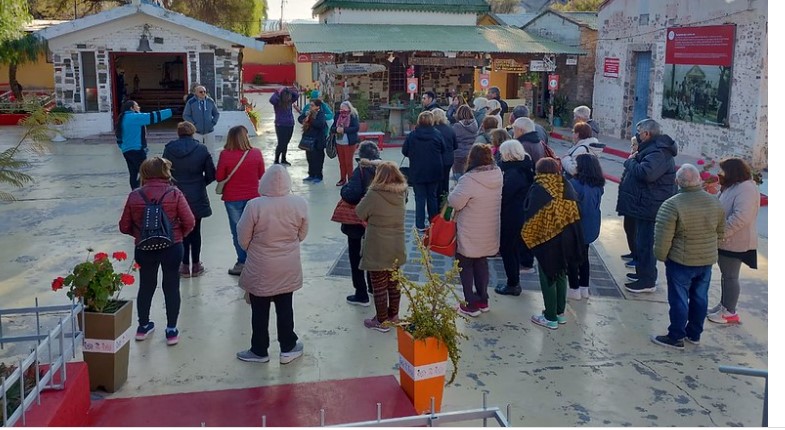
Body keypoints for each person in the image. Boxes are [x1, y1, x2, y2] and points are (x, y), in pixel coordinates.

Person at [235, 164, 308, 363]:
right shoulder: (299, 203)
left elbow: (242, 236)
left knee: (259, 309)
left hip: (261, 265)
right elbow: (302, 233)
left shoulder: (254, 205)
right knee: (285, 306)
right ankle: (288, 347)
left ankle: (259, 350)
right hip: (288, 266)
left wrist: (255, 248)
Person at [119, 157, 195, 346]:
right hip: (172, 246)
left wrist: (139, 234)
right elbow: (190, 221)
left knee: (146, 286)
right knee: (171, 287)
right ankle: (171, 330)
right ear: (165, 172)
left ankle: (143, 327)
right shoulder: (175, 193)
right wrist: (178, 235)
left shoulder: (135, 195)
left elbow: (123, 226)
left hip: (144, 247)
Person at [650, 164, 724, 349]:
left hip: (681, 261)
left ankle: (676, 336)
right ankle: (694, 334)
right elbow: (721, 231)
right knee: (700, 298)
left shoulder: (672, 204)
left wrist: (661, 256)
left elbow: (663, 237)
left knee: (679, 299)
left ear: (677, 181)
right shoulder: (714, 202)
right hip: (706, 260)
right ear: (699, 179)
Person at [522, 158, 584, 329]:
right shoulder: (566, 185)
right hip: (569, 235)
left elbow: (530, 215)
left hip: (548, 238)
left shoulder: (539, 188)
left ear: (539, 171)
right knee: (561, 273)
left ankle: (550, 318)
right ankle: (559, 313)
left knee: (547, 274)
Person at [619, 119, 678, 293]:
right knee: (641, 242)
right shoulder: (652, 149)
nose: (637, 135)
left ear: (647, 133)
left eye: (639, 131)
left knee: (645, 243)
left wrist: (630, 162)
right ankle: (643, 274)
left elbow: (647, 173)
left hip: (652, 206)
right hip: (645, 204)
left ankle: (647, 281)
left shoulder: (658, 152)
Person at [448, 144, 503, 317]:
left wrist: (452, 191)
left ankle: (469, 304)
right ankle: (483, 300)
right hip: (489, 227)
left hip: (470, 229)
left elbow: (455, 202)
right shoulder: (497, 174)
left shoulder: (469, 179)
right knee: (481, 262)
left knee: (465, 264)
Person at [356, 162, 408, 332]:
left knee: (379, 285)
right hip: (397, 243)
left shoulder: (374, 193)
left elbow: (359, 212)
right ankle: (394, 315)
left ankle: (381, 320)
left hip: (377, 244)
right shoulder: (402, 192)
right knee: (394, 282)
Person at [708, 158, 759, 324]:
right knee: (726, 276)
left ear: (732, 171)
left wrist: (722, 233)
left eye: (723, 171)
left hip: (735, 241)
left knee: (730, 276)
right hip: (726, 239)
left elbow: (741, 217)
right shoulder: (732, 186)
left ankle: (730, 311)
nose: (720, 174)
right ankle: (723, 306)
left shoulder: (746, 189)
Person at [162, 121, 216, 278]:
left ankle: (184, 265)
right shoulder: (201, 149)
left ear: (178, 133)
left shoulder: (169, 149)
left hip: (177, 195)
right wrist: (200, 183)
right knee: (196, 230)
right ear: (193, 132)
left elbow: (164, 172)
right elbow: (212, 174)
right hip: (197, 194)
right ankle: (196, 265)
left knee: (181, 231)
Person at [216, 125, 266, 276]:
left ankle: (242, 262)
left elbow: (219, 177)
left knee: (238, 232)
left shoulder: (225, 154)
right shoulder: (256, 153)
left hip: (233, 198)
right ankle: (257, 261)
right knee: (255, 231)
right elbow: (261, 175)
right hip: (253, 197)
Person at [340, 141, 382, 306]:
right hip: (377, 222)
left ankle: (361, 293)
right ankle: (373, 287)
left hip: (357, 224)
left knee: (356, 257)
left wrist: (344, 190)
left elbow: (351, 194)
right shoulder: (384, 171)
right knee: (372, 256)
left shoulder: (361, 171)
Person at [494, 140, 534, 297]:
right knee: (514, 249)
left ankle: (513, 284)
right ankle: (514, 281)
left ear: (508, 154)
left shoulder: (514, 173)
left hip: (512, 216)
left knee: (508, 249)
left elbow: (504, 196)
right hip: (521, 214)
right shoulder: (525, 167)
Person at [566, 154, 605, 300]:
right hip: (591, 226)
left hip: (576, 227)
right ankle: (584, 288)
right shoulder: (598, 185)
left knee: (572, 259)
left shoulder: (574, 184)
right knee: (584, 258)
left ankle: (574, 288)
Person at [402, 111, 446, 231]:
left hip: (417, 170)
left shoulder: (412, 135)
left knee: (419, 197)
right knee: (432, 196)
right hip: (434, 170)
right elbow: (443, 149)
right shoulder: (437, 134)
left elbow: (404, 151)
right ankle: (433, 221)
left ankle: (419, 224)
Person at [115, 100, 173, 190]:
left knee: (133, 173)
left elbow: (119, 136)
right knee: (144, 172)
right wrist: (171, 111)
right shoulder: (134, 117)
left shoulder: (122, 118)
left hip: (126, 150)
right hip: (137, 150)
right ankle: (143, 191)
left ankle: (135, 191)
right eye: (137, 105)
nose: (139, 107)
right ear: (132, 108)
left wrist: (122, 147)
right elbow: (152, 117)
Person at [616, 135, 639, 266]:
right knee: (628, 228)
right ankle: (633, 252)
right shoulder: (632, 158)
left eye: (634, 145)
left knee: (634, 230)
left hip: (635, 203)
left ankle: (637, 256)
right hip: (628, 201)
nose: (632, 148)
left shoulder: (638, 159)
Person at [298, 98, 328, 184]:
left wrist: (310, 120)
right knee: (310, 158)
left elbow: (320, 124)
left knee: (317, 159)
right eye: (310, 105)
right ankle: (311, 174)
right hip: (309, 140)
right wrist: (305, 116)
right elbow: (300, 119)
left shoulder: (320, 114)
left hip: (317, 141)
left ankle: (318, 175)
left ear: (317, 107)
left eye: (312, 105)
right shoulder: (308, 113)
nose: (310, 107)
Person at [331, 101, 361, 186]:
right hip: (339, 142)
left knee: (348, 162)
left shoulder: (352, 116)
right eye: (341, 108)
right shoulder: (337, 115)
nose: (342, 110)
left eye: (344, 108)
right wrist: (336, 129)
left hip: (349, 142)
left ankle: (351, 180)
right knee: (342, 162)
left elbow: (356, 128)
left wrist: (344, 130)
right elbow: (332, 128)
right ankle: (342, 179)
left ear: (348, 108)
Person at [269, 86, 300, 165]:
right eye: (287, 95)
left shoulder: (290, 102)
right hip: (280, 125)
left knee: (286, 142)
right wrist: (278, 91)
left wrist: (288, 90)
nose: (288, 96)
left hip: (290, 124)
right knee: (281, 143)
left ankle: (283, 158)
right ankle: (276, 159)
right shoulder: (278, 103)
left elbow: (296, 95)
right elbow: (271, 100)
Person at [431, 108, 457, 203]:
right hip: (448, 159)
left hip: (436, 160)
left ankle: (436, 203)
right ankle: (444, 203)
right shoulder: (450, 129)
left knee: (436, 183)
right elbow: (455, 145)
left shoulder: (432, 130)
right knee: (445, 182)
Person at [451, 105, 479, 179]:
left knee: (459, 177)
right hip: (471, 153)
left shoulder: (456, 126)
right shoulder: (475, 125)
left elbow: (453, 140)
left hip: (458, 154)